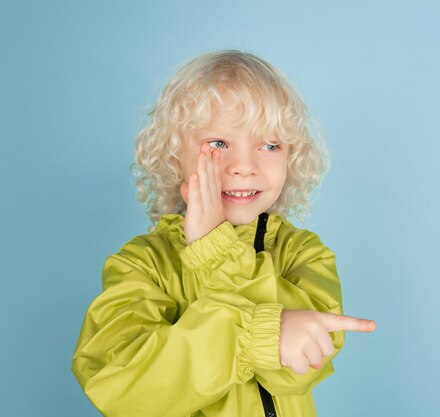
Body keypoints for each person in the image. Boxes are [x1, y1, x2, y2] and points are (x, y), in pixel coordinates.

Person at [71, 50, 376, 417]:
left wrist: (217, 251)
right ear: (173, 155)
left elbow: (294, 375)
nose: (244, 166)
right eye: (218, 143)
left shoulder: (303, 254)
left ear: (291, 157)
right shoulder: (143, 264)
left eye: (269, 145)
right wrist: (258, 333)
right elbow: (122, 389)